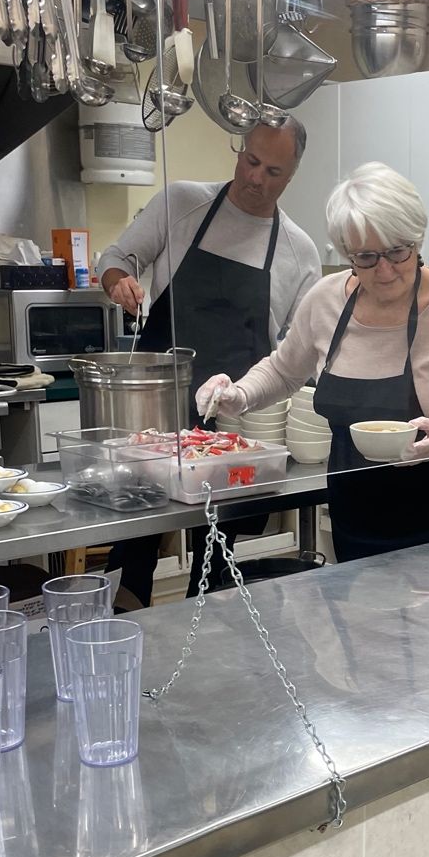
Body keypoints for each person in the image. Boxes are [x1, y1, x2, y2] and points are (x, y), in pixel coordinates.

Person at [196, 162, 429, 562]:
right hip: (355, 525)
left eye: (398, 251)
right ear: (347, 253)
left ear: (417, 239)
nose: (384, 271)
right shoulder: (326, 299)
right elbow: (283, 370)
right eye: (365, 258)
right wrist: (237, 395)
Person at [97, 118, 320, 604]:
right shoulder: (181, 203)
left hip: (233, 430)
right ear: (240, 150)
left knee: (218, 553)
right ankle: (121, 644)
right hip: (154, 422)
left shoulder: (299, 253)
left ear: (293, 174)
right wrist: (119, 282)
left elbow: (297, 353)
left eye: (273, 171)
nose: (256, 177)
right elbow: (116, 258)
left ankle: (210, 644)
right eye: (251, 160)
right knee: (135, 542)